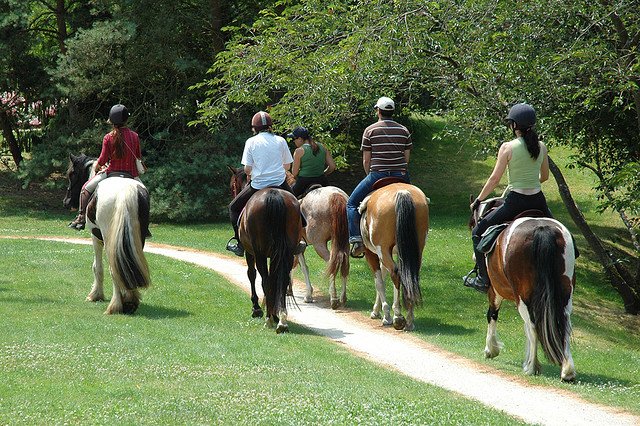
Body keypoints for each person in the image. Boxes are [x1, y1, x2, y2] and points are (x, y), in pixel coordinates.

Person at [464, 102, 553, 293]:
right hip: (538, 201)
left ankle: (482, 279)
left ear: (513, 125)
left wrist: (478, 200)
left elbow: (495, 178)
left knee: (477, 232)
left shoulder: (507, 147)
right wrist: (531, 180)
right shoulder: (542, 146)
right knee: (561, 235)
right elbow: (544, 177)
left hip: (516, 202)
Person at [226, 111, 303, 257]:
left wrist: (257, 170)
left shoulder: (250, 142)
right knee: (297, 206)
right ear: (270, 126)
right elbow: (287, 166)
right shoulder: (280, 140)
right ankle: (298, 240)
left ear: (255, 128)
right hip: (280, 183)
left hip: (258, 184)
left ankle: (239, 243)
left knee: (233, 207)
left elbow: (247, 169)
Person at [347, 96, 412, 258]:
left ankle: (356, 240)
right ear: (392, 112)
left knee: (351, 203)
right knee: (418, 201)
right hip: (401, 175)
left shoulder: (370, 130)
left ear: (378, 111)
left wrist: (369, 174)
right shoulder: (404, 130)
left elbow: (366, 160)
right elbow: (406, 159)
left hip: (377, 174)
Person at [68, 104, 143, 230]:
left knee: (85, 189)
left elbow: (102, 160)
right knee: (145, 193)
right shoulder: (135, 136)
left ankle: (81, 218)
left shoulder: (108, 137)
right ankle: (144, 225)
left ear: (112, 121)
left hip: (111, 173)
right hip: (131, 175)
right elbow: (138, 156)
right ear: (126, 120)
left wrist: (98, 166)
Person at [287, 126, 336, 197]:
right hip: (321, 179)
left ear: (300, 139)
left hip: (304, 181)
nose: (294, 141)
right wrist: (324, 173)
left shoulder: (299, 151)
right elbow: (332, 166)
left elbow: (294, 173)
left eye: (294, 139)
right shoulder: (322, 146)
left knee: (290, 199)